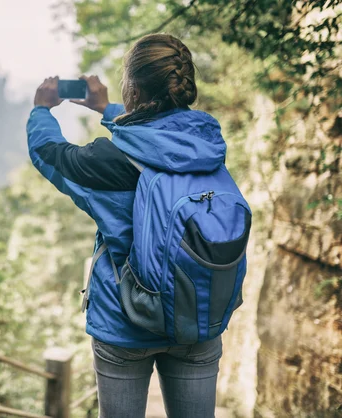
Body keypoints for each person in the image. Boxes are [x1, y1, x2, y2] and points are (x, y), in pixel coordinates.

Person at [26, 34, 227, 417]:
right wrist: (106, 108)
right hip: (196, 314)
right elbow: (159, 138)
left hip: (126, 320)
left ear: (131, 88)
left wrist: (41, 110)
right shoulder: (206, 142)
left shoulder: (108, 160)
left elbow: (48, 154)